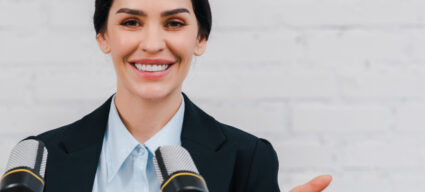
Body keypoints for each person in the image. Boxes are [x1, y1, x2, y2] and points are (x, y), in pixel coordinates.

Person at [34, 0, 332, 191]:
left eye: (174, 23)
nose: (152, 44)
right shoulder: (39, 158)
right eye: (131, 22)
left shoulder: (248, 159)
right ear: (103, 37)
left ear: (200, 38)